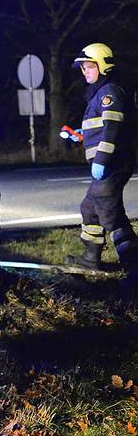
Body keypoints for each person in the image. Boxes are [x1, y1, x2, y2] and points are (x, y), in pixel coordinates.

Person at [65, 43, 135, 285]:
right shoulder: (98, 93)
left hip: (114, 162)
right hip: (106, 163)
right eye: (83, 67)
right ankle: (91, 258)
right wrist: (79, 134)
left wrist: (103, 159)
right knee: (90, 208)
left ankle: (133, 263)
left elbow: (113, 128)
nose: (85, 71)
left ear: (103, 65)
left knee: (109, 212)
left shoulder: (109, 92)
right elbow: (99, 128)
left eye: (89, 66)